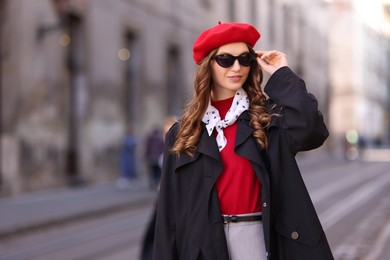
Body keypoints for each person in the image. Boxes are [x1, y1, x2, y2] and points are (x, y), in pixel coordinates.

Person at [153, 22, 333, 260]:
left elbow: (312, 129)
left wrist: (282, 73)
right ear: (209, 65)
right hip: (202, 247)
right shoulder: (183, 132)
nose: (237, 67)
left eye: (245, 59)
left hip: (258, 240)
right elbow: (168, 214)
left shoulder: (267, 120)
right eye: (226, 59)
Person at [116, 124, 138, 189]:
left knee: (130, 169)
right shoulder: (128, 137)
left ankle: (129, 181)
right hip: (127, 157)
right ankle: (124, 182)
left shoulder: (130, 137)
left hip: (129, 157)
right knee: (126, 169)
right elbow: (131, 145)